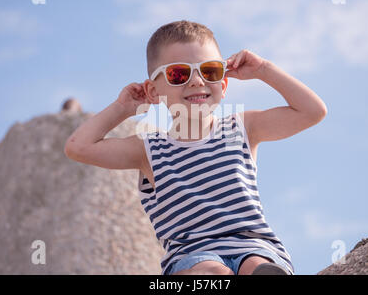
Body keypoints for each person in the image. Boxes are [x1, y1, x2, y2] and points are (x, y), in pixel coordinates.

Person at [64, 20, 327, 275]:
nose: (197, 81)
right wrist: (123, 108)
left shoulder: (244, 128)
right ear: (153, 92)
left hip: (255, 247)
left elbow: (312, 111)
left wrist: (263, 69)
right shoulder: (148, 149)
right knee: (211, 271)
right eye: (178, 74)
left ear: (223, 84)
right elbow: (78, 147)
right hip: (192, 255)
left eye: (210, 71)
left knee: (256, 267)